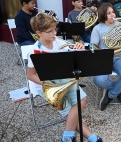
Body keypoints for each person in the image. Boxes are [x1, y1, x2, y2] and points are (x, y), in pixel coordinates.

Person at [27, 13, 102, 142]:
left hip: (62, 78)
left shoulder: (59, 42)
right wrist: (51, 85)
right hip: (45, 84)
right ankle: (91, 137)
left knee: (82, 99)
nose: (54, 33)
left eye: (55, 29)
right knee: (69, 115)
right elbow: (30, 75)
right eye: (50, 31)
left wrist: (80, 47)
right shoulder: (34, 51)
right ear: (38, 32)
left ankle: (67, 137)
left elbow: (75, 56)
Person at [91, 3, 121, 111]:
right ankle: (116, 90)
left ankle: (110, 95)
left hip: (119, 57)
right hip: (104, 57)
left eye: (113, 12)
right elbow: (93, 46)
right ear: (103, 15)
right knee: (98, 80)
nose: (112, 15)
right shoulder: (97, 28)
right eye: (108, 13)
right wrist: (101, 52)